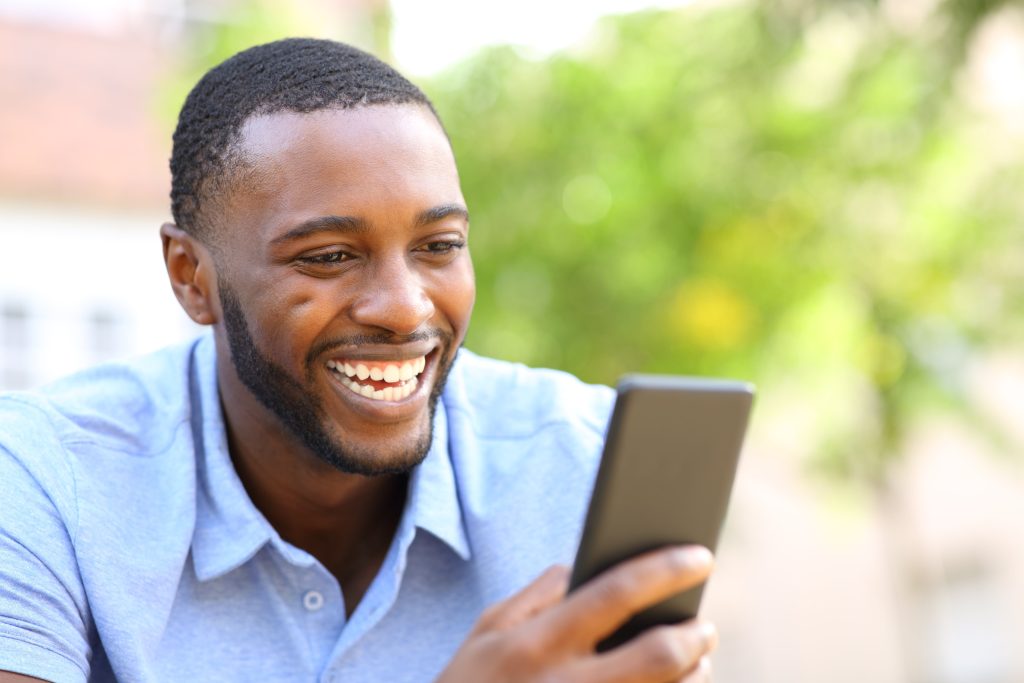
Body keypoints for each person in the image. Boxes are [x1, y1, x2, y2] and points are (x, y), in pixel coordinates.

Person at [0, 39, 718, 682]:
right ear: (193, 277)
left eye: (438, 246)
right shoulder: (45, 481)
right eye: (330, 257)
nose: (404, 309)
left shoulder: (587, 460)